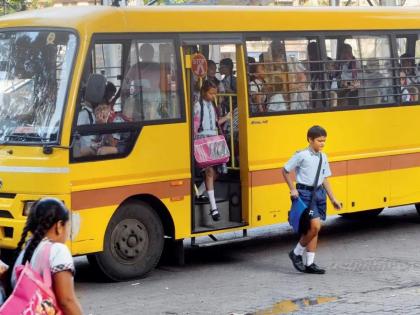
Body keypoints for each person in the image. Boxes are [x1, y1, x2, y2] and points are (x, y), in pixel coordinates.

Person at [282, 125, 342, 274]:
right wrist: (293, 189)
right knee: (315, 227)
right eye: (319, 141)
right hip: (305, 195)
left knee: (313, 230)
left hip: (319, 194)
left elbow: (324, 179)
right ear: (310, 139)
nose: (322, 144)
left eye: (324, 141)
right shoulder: (301, 155)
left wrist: (333, 198)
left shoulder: (323, 156)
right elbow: (285, 170)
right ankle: (296, 253)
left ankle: (310, 263)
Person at [11, 198, 82, 315]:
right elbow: (66, 301)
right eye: (68, 225)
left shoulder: (24, 253)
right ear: (59, 226)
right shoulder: (58, 250)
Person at [193, 80, 230, 221]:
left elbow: (215, 123)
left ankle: (200, 192)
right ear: (203, 92)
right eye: (211, 93)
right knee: (210, 172)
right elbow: (193, 125)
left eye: (215, 93)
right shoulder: (197, 105)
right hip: (202, 142)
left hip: (214, 140)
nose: (213, 96)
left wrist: (225, 118)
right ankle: (214, 208)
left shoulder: (213, 106)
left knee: (217, 173)